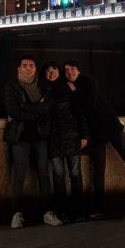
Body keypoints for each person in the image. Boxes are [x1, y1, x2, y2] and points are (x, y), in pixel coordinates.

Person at [63, 59, 125, 217]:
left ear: (78, 70)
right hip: (95, 133)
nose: (69, 72)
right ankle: (99, 207)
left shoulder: (88, 81)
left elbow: (91, 104)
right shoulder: (67, 88)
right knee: (98, 170)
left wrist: (75, 92)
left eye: (72, 69)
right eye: (66, 70)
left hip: (110, 126)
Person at [3, 55, 63, 229]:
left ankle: (47, 213)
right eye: (25, 65)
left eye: (31, 65)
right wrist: (37, 112)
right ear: (19, 69)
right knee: (19, 177)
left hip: (40, 137)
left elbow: (47, 108)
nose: (28, 68)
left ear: (35, 69)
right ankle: (16, 214)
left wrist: (25, 106)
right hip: (20, 138)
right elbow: (13, 111)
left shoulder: (43, 85)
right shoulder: (11, 86)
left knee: (44, 176)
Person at [40, 61, 89, 222]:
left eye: (54, 70)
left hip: (72, 137)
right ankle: (62, 212)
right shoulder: (42, 90)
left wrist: (84, 135)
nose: (52, 73)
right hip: (54, 140)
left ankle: (79, 211)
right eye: (49, 71)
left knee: (75, 174)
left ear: (59, 72)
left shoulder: (68, 88)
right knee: (59, 175)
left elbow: (80, 111)